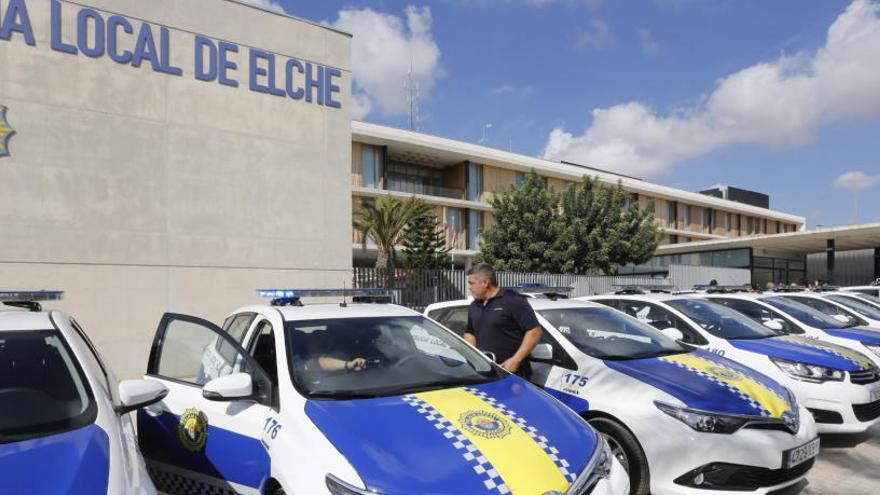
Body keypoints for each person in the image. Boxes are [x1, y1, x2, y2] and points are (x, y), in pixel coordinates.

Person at [463, 263, 542, 379]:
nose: (469, 287)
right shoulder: (474, 306)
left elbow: (534, 331)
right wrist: (471, 356)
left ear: (485, 283)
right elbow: (470, 332)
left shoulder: (512, 300)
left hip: (512, 375)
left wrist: (516, 360)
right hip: (483, 373)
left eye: (471, 283)